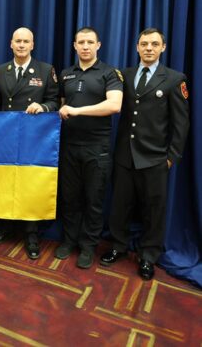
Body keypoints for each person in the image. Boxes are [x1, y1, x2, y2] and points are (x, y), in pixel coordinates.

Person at [100, 28, 190, 280]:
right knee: (119, 206)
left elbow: (181, 124)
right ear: (137, 47)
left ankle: (148, 256)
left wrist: (171, 157)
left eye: (154, 44)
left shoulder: (174, 79)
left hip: (155, 158)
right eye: (144, 44)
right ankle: (118, 246)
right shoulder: (125, 75)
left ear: (163, 48)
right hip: (125, 155)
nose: (148, 48)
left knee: (154, 210)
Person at [0, 27, 59, 258]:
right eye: (17, 41)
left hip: (33, 139)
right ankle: (4, 227)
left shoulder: (46, 70)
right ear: (11, 43)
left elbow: (53, 101)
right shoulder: (0, 71)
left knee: (30, 186)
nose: (21, 45)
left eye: (25, 41)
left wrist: (44, 107)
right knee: (4, 182)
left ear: (32, 45)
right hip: (6, 137)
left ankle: (31, 235)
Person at [56, 27, 123, 268]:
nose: (85, 46)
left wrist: (78, 111)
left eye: (90, 42)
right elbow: (61, 107)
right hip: (69, 147)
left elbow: (115, 105)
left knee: (94, 200)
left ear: (98, 45)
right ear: (74, 45)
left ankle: (88, 246)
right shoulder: (66, 74)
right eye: (81, 42)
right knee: (70, 198)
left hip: (98, 148)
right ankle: (69, 240)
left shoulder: (109, 73)